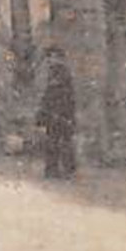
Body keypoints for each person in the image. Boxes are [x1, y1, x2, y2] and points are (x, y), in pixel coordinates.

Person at [36, 48, 78, 179]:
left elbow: (57, 95)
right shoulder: (54, 73)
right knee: (56, 141)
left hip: (60, 112)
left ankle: (64, 170)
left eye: (52, 58)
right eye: (48, 58)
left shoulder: (61, 73)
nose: (49, 61)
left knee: (60, 142)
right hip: (56, 112)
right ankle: (56, 170)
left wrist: (52, 112)